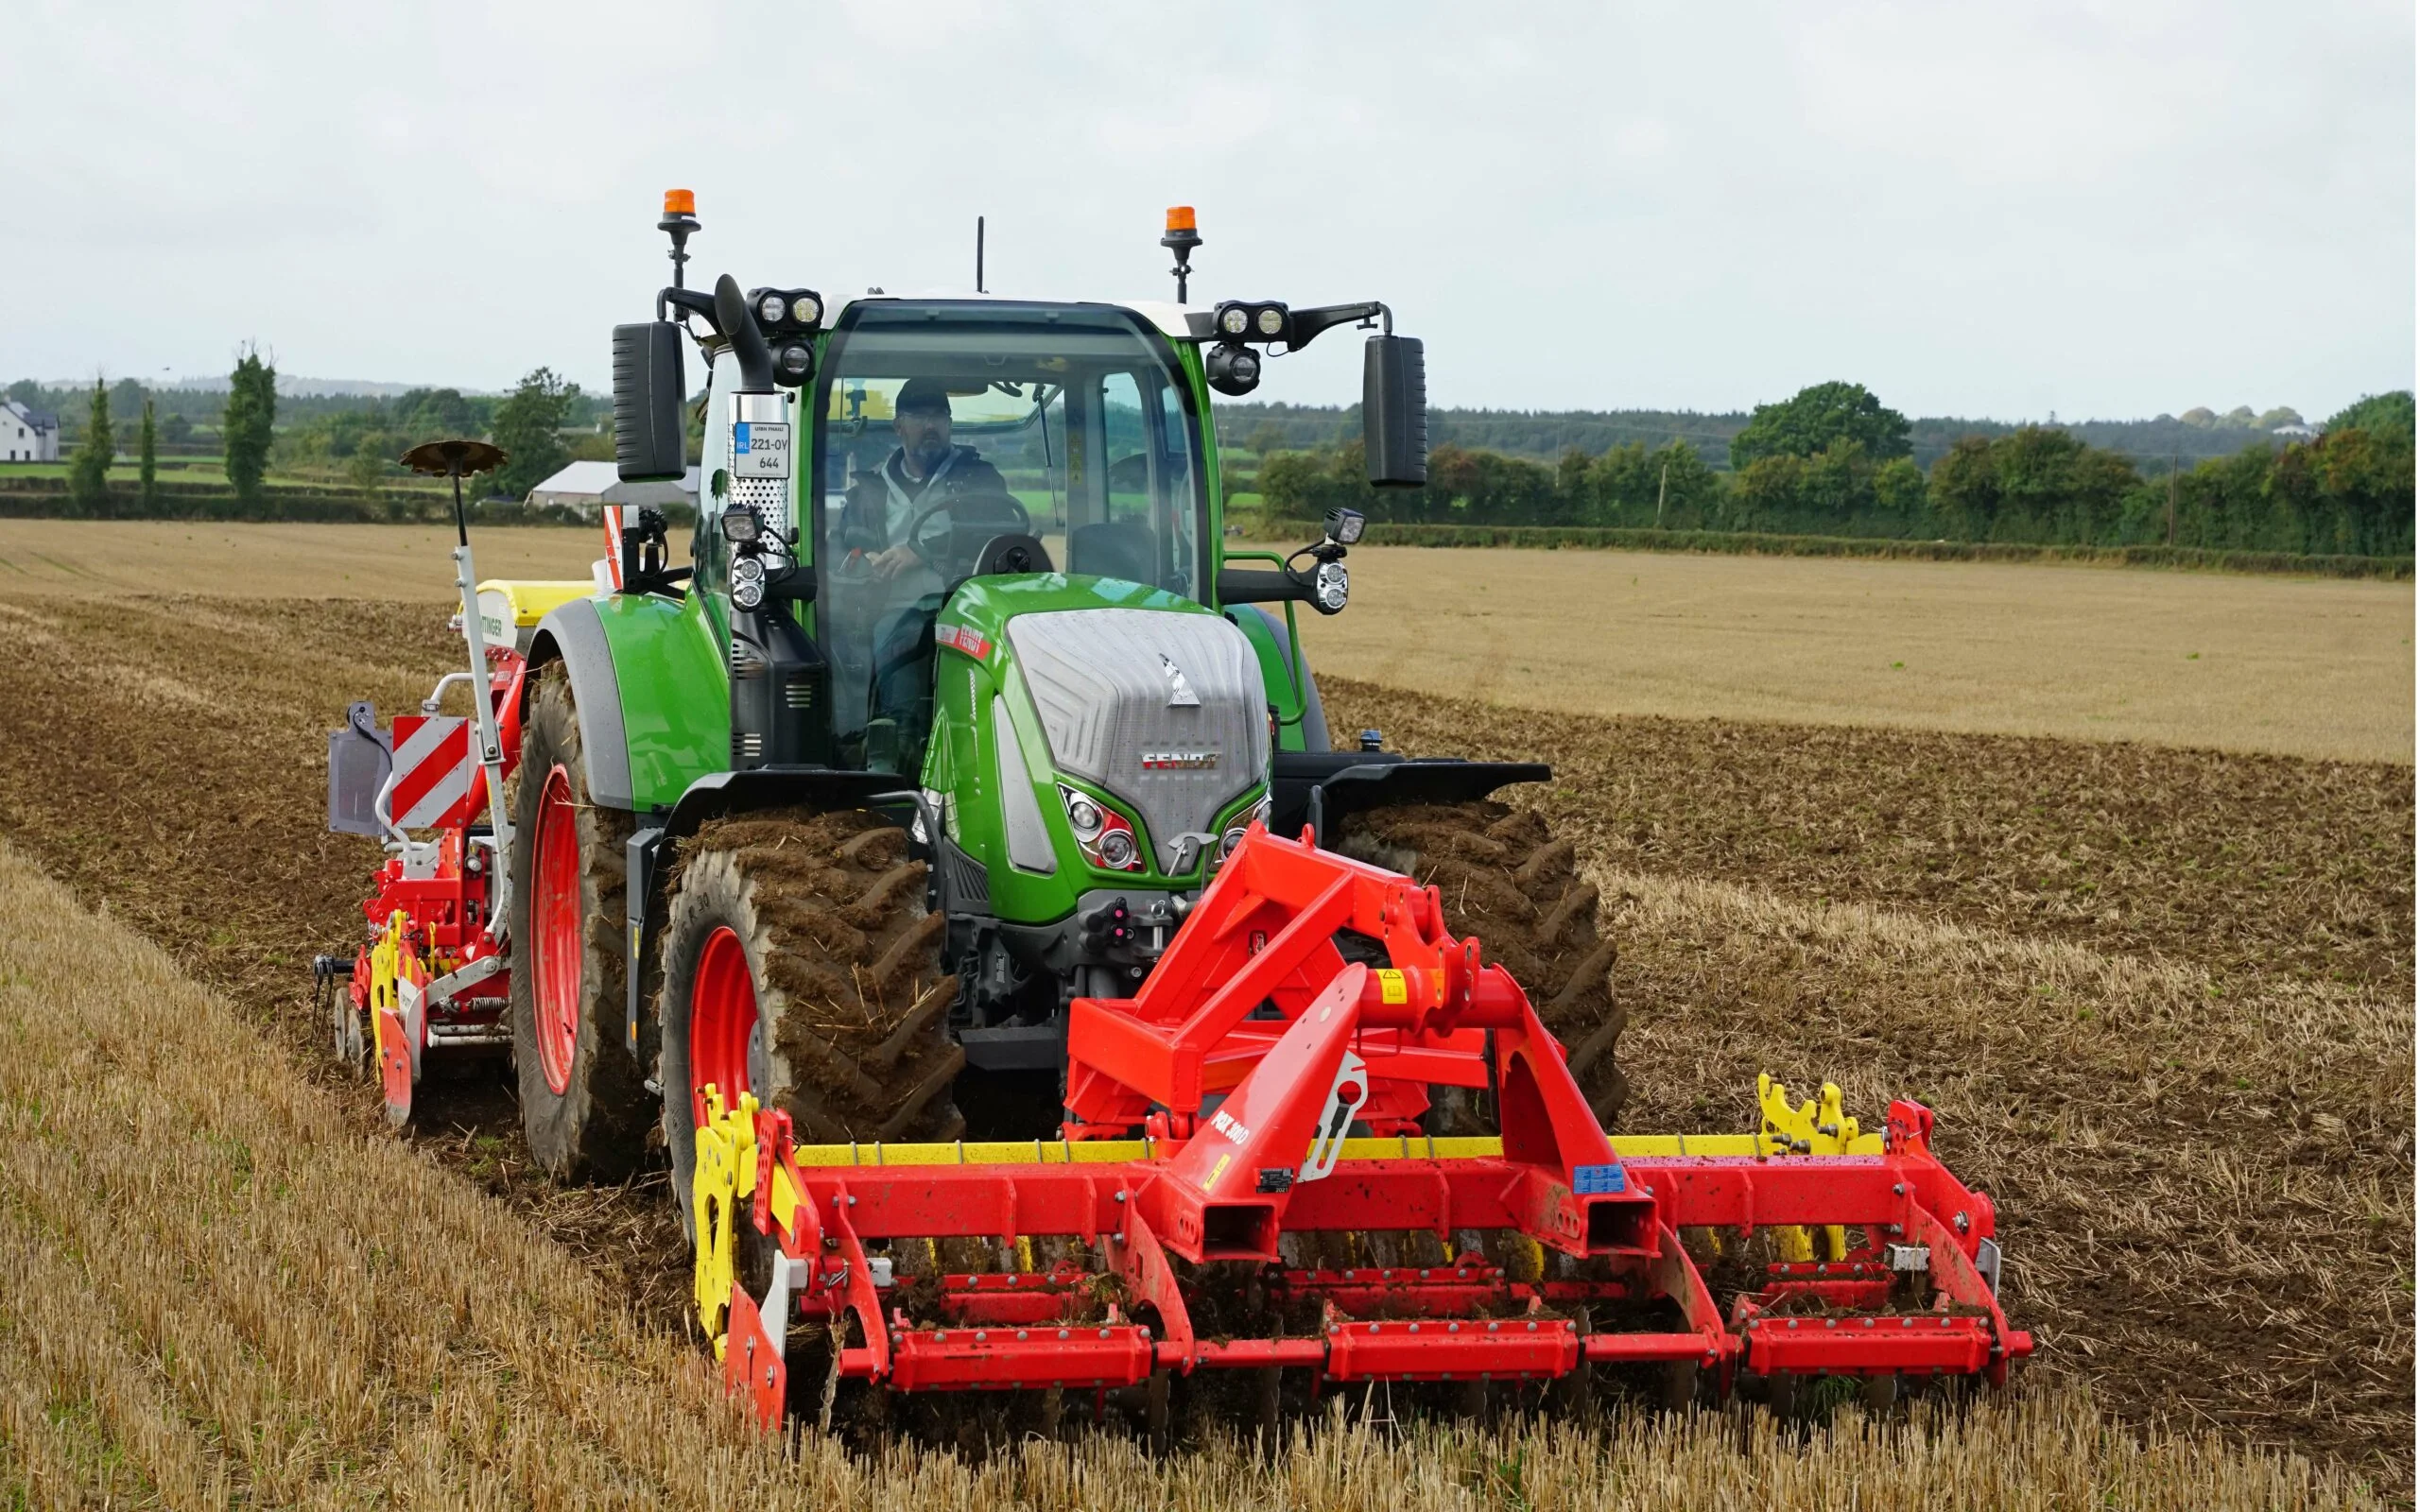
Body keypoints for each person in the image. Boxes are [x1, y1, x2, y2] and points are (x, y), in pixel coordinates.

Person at [836, 377, 1011, 594]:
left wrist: (922, 551)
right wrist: (862, 559)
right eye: (919, 416)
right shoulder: (866, 492)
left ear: (949, 424)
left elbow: (1002, 536)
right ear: (898, 426)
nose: (930, 425)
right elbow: (834, 548)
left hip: (965, 611)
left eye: (938, 416)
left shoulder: (980, 478)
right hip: (886, 613)